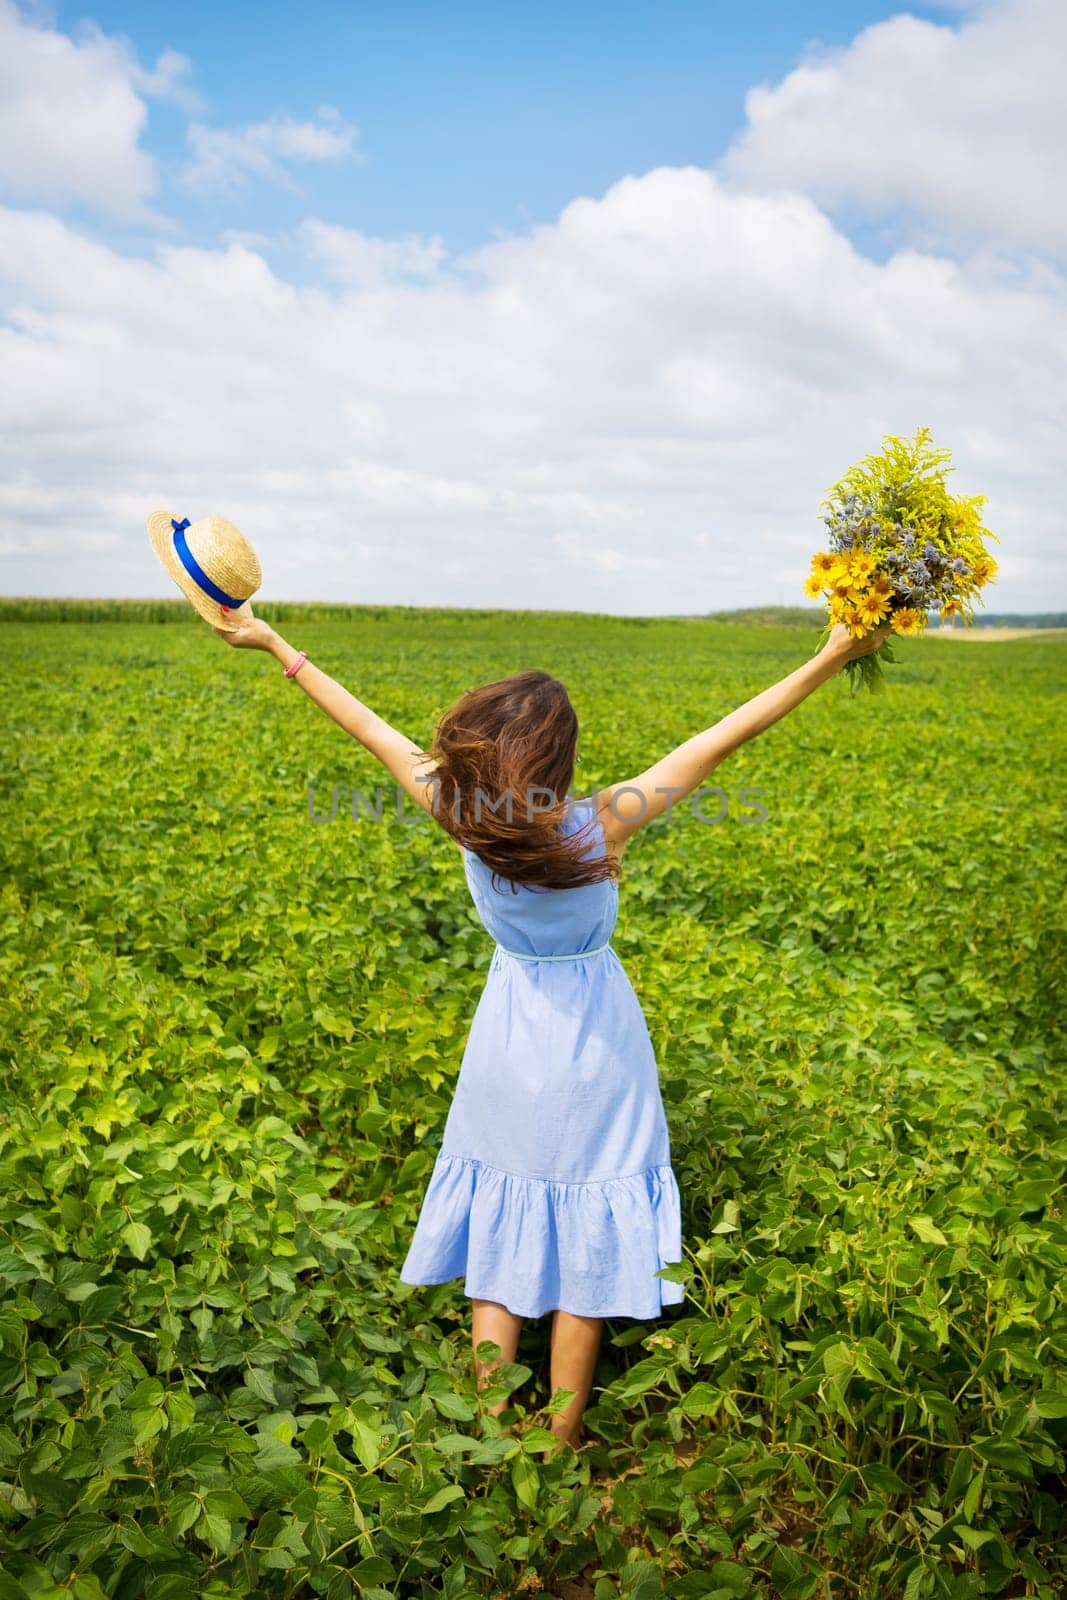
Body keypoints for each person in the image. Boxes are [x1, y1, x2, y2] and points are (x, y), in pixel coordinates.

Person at [212, 606, 891, 1453]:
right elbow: (726, 735)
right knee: (590, 1223)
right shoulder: (601, 820)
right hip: (596, 1044)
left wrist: (277, 646)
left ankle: (488, 1424)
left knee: (503, 1206)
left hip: (508, 1038)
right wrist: (831, 653)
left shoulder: (458, 814)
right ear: (555, 757)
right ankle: (562, 1432)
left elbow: (363, 725)